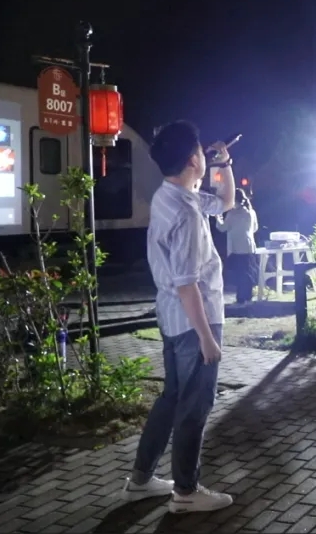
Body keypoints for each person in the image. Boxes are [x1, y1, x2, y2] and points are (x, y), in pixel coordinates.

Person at [121, 120, 235, 512]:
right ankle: (186, 492)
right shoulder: (186, 212)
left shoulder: (170, 196)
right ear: (192, 160)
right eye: (201, 151)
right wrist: (206, 337)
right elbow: (188, 284)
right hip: (194, 320)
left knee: (172, 399)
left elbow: (225, 203)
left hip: (172, 318)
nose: (204, 155)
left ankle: (140, 480)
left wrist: (225, 164)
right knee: (194, 407)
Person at [215, 188, 259, 305]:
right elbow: (255, 228)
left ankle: (241, 297)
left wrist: (218, 218)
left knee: (240, 273)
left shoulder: (232, 214)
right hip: (249, 246)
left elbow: (222, 228)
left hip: (236, 247)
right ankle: (247, 296)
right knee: (248, 272)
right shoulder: (251, 212)